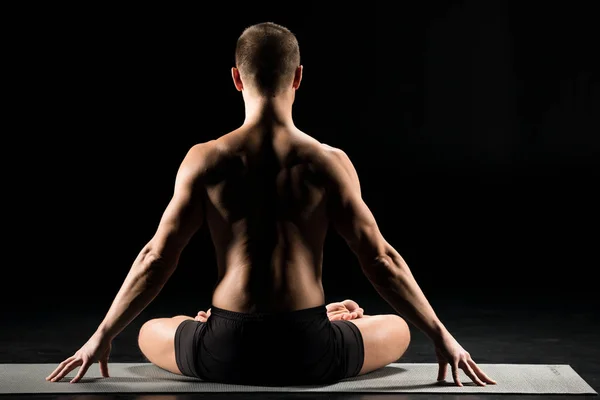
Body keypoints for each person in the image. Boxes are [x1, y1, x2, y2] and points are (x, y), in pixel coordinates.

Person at [46, 22, 496, 387]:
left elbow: (156, 257)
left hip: (224, 348)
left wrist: (101, 337)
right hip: (309, 351)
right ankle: (328, 315)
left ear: (236, 78)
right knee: (396, 329)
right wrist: (443, 338)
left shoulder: (205, 159)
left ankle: (207, 319)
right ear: (298, 76)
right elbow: (380, 259)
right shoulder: (328, 162)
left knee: (149, 331)